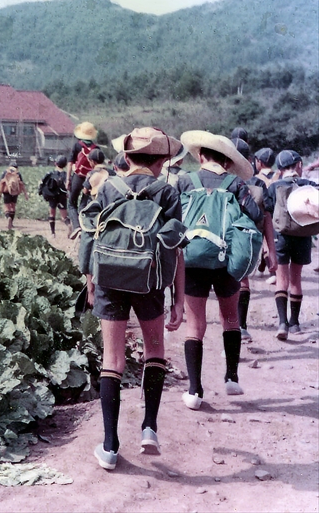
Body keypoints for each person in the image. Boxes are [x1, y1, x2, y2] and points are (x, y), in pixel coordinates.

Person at [80, 127, 187, 470]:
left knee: (112, 360)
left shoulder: (109, 186)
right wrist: (178, 298)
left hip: (110, 279)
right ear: (161, 161)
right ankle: (149, 429)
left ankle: (110, 446)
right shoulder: (167, 193)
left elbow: (89, 236)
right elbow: (177, 250)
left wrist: (90, 279)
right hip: (151, 284)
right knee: (155, 351)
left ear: (126, 157)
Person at [177, 131, 262, 411]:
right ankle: (231, 377)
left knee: (195, 326)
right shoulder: (236, 183)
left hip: (191, 260)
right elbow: (256, 216)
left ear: (200, 156)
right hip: (226, 262)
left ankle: (194, 390)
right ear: (227, 161)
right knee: (230, 318)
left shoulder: (185, 180)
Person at [230, 130, 277, 342]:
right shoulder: (256, 182)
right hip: (246, 239)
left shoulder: (220, 179)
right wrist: (270, 250)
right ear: (249, 159)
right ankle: (240, 325)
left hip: (221, 238)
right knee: (242, 280)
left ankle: (233, 328)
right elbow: (266, 217)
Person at [266, 150, 317, 340]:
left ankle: (282, 323)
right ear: (299, 166)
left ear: (279, 170)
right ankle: (295, 324)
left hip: (281, 237)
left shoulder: (274, 187)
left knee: (281, 280)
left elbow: (269, 213)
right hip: (303, 236)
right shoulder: (309, 185)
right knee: (296, 279)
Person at [67, 122, 99, 237]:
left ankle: (76, 227)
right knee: (84, 203)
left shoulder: (77, 146)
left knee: (71, 203)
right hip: (91, 178)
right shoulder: (97, 148)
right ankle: (84, 226)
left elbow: (70, 163)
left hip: (78, 176)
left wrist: (68, 179)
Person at [38, 156, 68, 236]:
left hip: (52, 196)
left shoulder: (50, 173)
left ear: (55, 163)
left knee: (52, 214)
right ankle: (70, 228)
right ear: (65, 165)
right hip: (62, 196)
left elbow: (41, 182)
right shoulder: (66, 175)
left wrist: (40, 191)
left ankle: (53, 233)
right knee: (64, 216)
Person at [77, 149, 114, 214]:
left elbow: (85, 191)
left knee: (82, 204)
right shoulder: (111, 172)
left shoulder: (91, 173)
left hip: (95, 203)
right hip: (108, 202)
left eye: (90, 161)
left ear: (93, 162)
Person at [0, 162, 29, 230]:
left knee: (7, 207)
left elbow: (0, 183)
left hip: (6, 192)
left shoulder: (5, 172)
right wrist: (25, 194)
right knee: (13, 206)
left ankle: (8, 217)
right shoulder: (17, 173)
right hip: (15, 192)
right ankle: (11, 222)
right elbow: (22, 184)